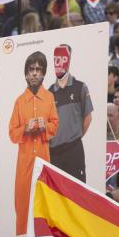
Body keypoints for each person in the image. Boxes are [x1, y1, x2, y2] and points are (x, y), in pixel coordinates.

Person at [9, 51, 58, 236]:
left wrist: (44, 126)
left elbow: (55, 124)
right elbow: (12, 133)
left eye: (39, 69)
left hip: (44, 163)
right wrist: (25, 129)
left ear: (44, 72)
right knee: (22, 207)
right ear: (26, 73)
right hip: (24, 165)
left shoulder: (50, 98)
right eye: (31, 69)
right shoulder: (19, 102)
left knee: (44, 207)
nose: (35, 73)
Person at [48, 44, 92, 181]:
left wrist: (74, 137)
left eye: (63, 58)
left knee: (78, 193)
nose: (59, 62)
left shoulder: (80, 87)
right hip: (53, 153)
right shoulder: (49, 92)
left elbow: (88, 118)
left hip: (74, 150)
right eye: (57, 58)